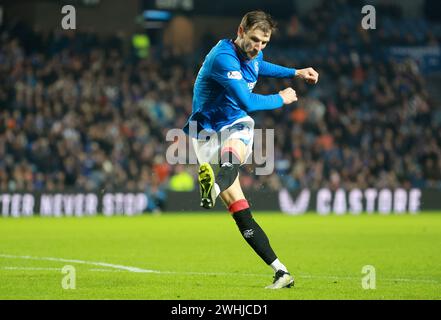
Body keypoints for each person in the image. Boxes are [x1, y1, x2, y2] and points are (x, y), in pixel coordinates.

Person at [183, 10, 319, 289]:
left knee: (241, 208)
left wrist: (295, 72)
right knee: (238, 199)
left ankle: (281, 272)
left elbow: (261, 66)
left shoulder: (252, 54)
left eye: (264, 43)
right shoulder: (223, 57)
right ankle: (216, 186)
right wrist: (281, 98)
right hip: (205, 131)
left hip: (231, 123)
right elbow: (247, 100)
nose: (258, 47)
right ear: (241, 30)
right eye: (255, 40)